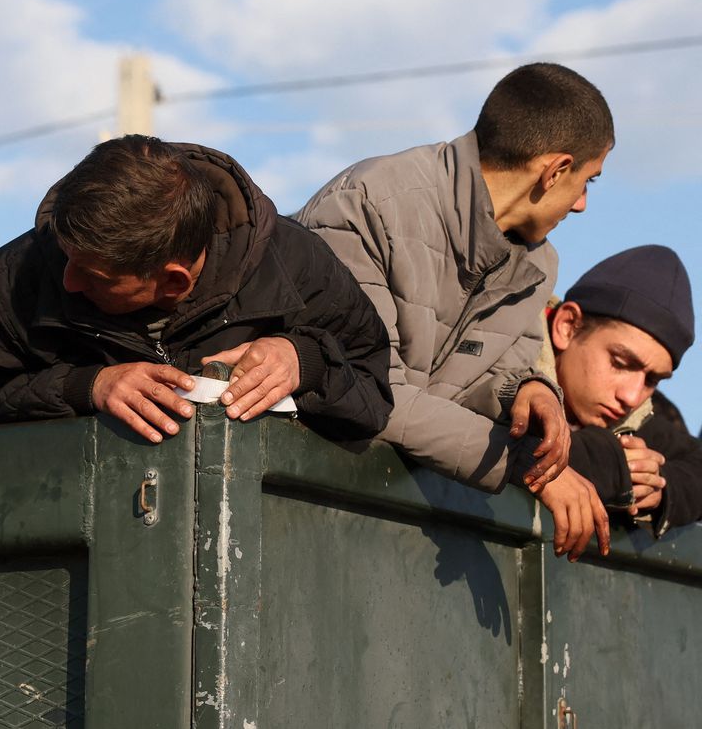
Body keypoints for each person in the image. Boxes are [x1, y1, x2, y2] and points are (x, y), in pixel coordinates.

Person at [296, 62, 614, 561]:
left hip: (388, 540)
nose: (581, 206)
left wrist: (526, 392)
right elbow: (369, 392)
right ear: (554, 171)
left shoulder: (538, 264)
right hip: (297, 514)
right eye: (588, 181)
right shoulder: (366, 205)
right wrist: (519, 463)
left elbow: (475, 379)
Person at [0, 135, 393, 445]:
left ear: (173, 280)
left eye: (95, 277)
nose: (67, 280)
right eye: (66, 255)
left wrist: (306, 361)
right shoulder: (10, 281)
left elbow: (373, 400)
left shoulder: (297, 266)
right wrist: (85, 387)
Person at [546, 245, 702, 538]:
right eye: (620, 363)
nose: (632, 397)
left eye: (652, 380)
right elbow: (500, 442)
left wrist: (657, 486)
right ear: (567, 326)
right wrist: (615, 465)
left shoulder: (636, 414)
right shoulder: (502, 360)